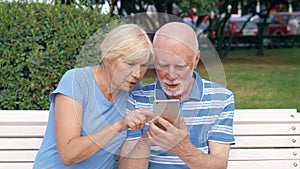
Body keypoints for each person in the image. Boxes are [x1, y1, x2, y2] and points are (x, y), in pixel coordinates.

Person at [33, 24, 154, 169]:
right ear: (108, 58)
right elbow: (68, 155)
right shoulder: (77, 81)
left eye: (143, 66)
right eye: (130, 63)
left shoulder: (134, 91)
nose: (137, 74)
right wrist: (118, 125)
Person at [119, 22, 235, 169]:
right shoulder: (138, 98)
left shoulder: (221, 99)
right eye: (163, 65)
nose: (171, 76)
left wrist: (184, 149)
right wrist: (146, 141)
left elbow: (218, 166)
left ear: (195, 60)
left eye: (180, 66)